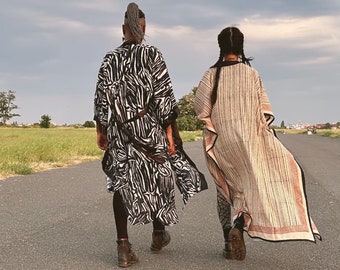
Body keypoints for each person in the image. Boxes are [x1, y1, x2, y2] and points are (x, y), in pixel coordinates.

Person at [94, 2, 206, 268]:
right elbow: (164, 97)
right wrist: (169, 133)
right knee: (158, 175)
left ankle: (123, 246)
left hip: (119, 130)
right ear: (144, 29)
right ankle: (158, 233)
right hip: (147, 126)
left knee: (122, 182)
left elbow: (101, 96)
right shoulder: (153, 54)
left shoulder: (110, 58)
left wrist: (101, 129)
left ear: (123, 29)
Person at [194, 26, 321, 261]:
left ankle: (227, 239)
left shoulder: (211, 74)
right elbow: (264, 112)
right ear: (241, 47)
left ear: (220, 47)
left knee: (225, 188)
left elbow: (200, 108)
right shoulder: (251, 74)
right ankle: (239, 225)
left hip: (223, 143)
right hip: (248, 143)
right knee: (249, 188)